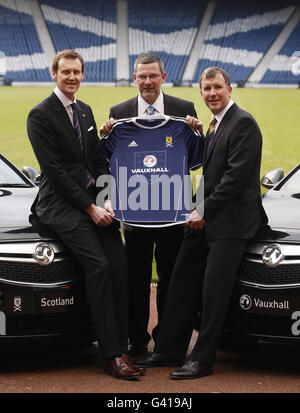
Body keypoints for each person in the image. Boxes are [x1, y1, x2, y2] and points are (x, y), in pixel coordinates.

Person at [136, 67, 269, 379]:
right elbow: (207, 176)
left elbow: (234, 179)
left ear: (229, 89)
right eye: (206, 88)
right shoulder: (216, 124)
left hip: (233, 223)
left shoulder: (244, 123)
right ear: (201, 92)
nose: (212, 93)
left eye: (217, 88)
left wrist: (203, 210)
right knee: (182, 278)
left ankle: (203, 359)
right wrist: (195, 211)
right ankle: (168, 349)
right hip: (208, 217)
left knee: (213, 289)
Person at [27, 49, 144, 381]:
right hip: (61, 205)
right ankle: (110, 356)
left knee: (120, 264)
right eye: (65, 72)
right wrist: (90, 207)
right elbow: (57, 172)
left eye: (77, 72)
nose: (72, 77)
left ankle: (122, 346)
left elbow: (97, 162)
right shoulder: (40, 115)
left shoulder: (85, 110)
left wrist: (106, 199)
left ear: (82, 74)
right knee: (99, 265)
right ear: (54, 74)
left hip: (94, 202)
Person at [100, 52, 203, 357]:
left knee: (172, 278)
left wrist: (197, 131)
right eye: (141, 76)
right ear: (134, 78)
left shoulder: (184, 111)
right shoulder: (118, 114)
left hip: (174, 211)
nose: (147, 81)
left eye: (152, 76)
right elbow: (104, 161)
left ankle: (167, 340)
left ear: (163, 77)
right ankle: (136, 339)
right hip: (135, 212)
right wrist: (106, 196)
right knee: (136, 278)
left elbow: (197, 159)